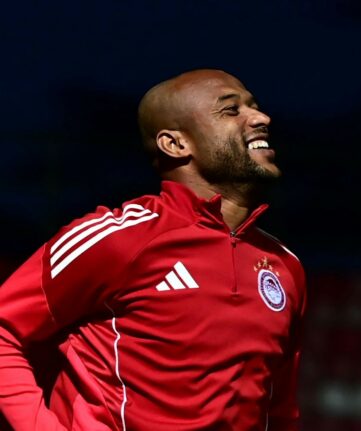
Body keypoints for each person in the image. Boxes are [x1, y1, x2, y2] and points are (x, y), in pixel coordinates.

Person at [0, 69, 307, 430]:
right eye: (231, 109)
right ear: (175, 144)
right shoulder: (117, 238)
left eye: (254, 106)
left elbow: (279, 409)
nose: (261, 117)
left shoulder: (284, 265)